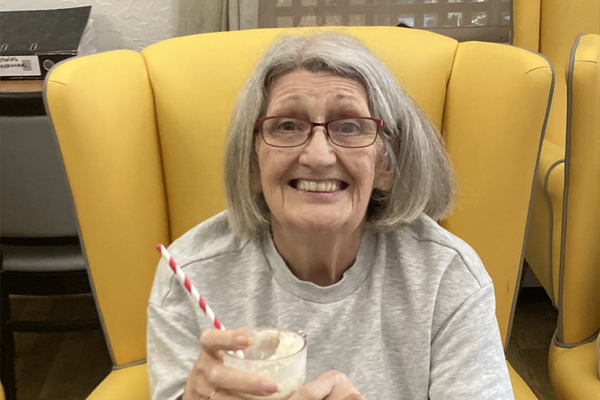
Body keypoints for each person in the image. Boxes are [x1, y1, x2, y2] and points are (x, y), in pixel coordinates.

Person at [147, 33, 515, 400]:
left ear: (386, 164)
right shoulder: (188, 272)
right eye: (287, 126)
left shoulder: (446, 276)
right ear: (251, 164)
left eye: (350, 126)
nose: (318, 157)